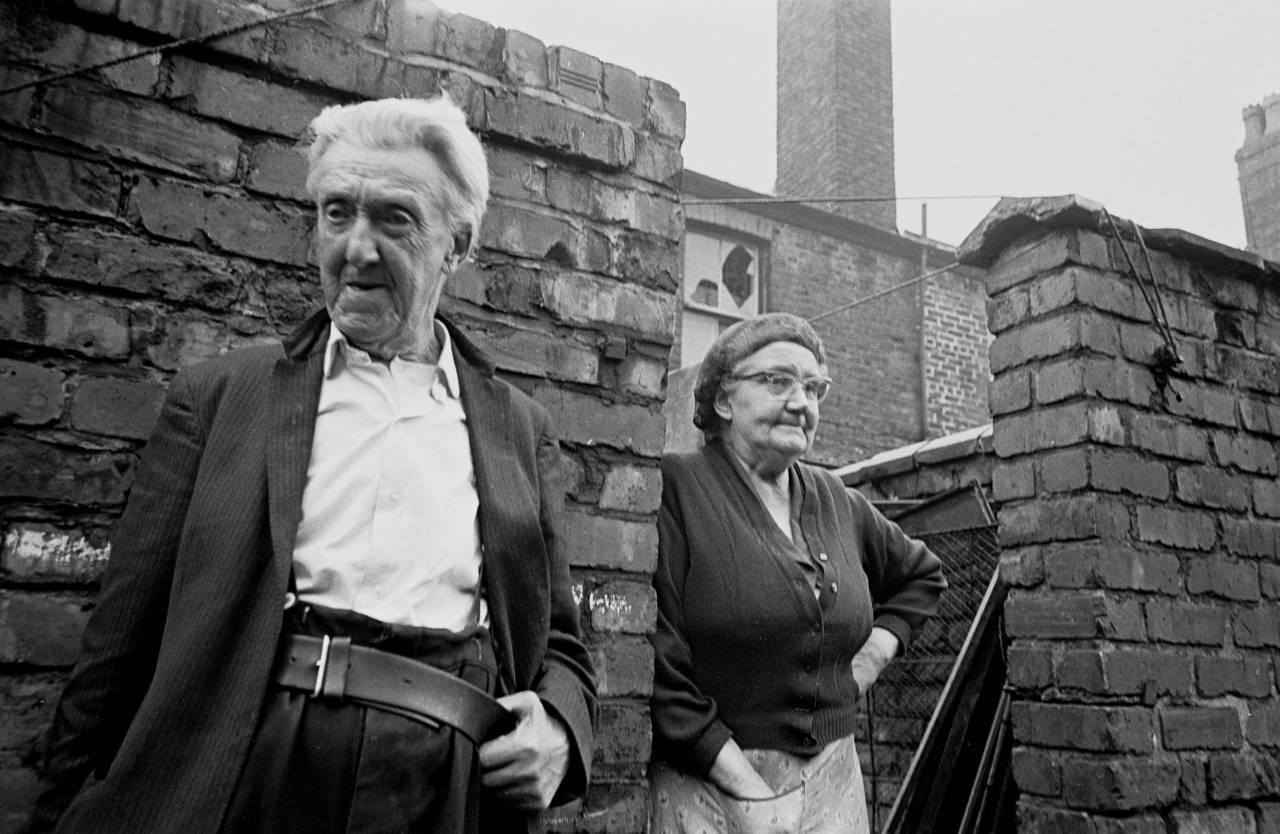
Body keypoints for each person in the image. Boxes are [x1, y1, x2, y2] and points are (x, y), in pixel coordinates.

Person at [28, 95, 596, 834]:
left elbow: (562, 647)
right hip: (251, 765)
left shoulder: (520, 431)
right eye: (336, 213)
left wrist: (558, 728)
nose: (356, 248)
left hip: (444, 787)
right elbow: (118, 643)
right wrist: (55, 808)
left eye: (394, 217)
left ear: (457, 245)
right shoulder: (221, 398)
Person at [649, 313, 946, 833]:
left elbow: (922, 574)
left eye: (814, 388)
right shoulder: (678, 490)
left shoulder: (836, 500)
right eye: (776, 381)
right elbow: (660, 666)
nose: (801, 403)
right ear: (723, 400)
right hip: (710, 786)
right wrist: (751, 794)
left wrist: (871, 656)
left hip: (832, 786)